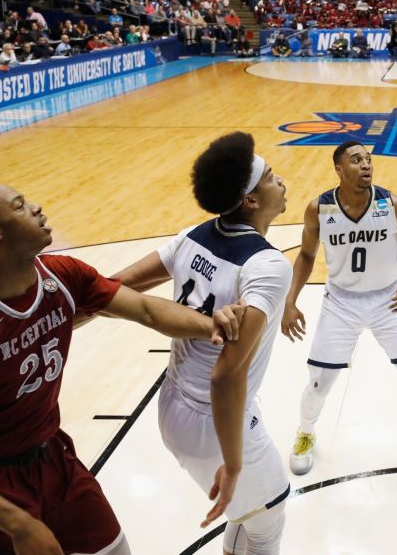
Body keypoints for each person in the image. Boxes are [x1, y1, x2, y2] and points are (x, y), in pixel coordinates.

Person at [0, 183, 243, 555]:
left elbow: (147, 310)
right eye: (20, 206)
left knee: (115, 550)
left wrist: (210, 323)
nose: (36, 207)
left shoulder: (62, 275)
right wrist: (17, 523)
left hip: (54, 457)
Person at [112, 132, 292, 553]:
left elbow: (112, 288)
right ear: (250, 200)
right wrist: (232, 462)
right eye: (270, 176)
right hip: (212, 419)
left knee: (252, 511)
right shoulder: (266, 265)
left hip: (172, 401)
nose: (281, 181)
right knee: (269, 516)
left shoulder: (194, 234)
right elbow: (226, 376)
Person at [280, 141, 397, 492]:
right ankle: (305, 434)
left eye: (369, 160)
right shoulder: (319, 209)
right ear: (338, 169)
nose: (366, 165)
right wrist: (290, 300)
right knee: (320, 381)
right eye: (356, 160)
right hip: (341, 301)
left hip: (388, 299)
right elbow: (307, 256)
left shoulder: (392, 203)